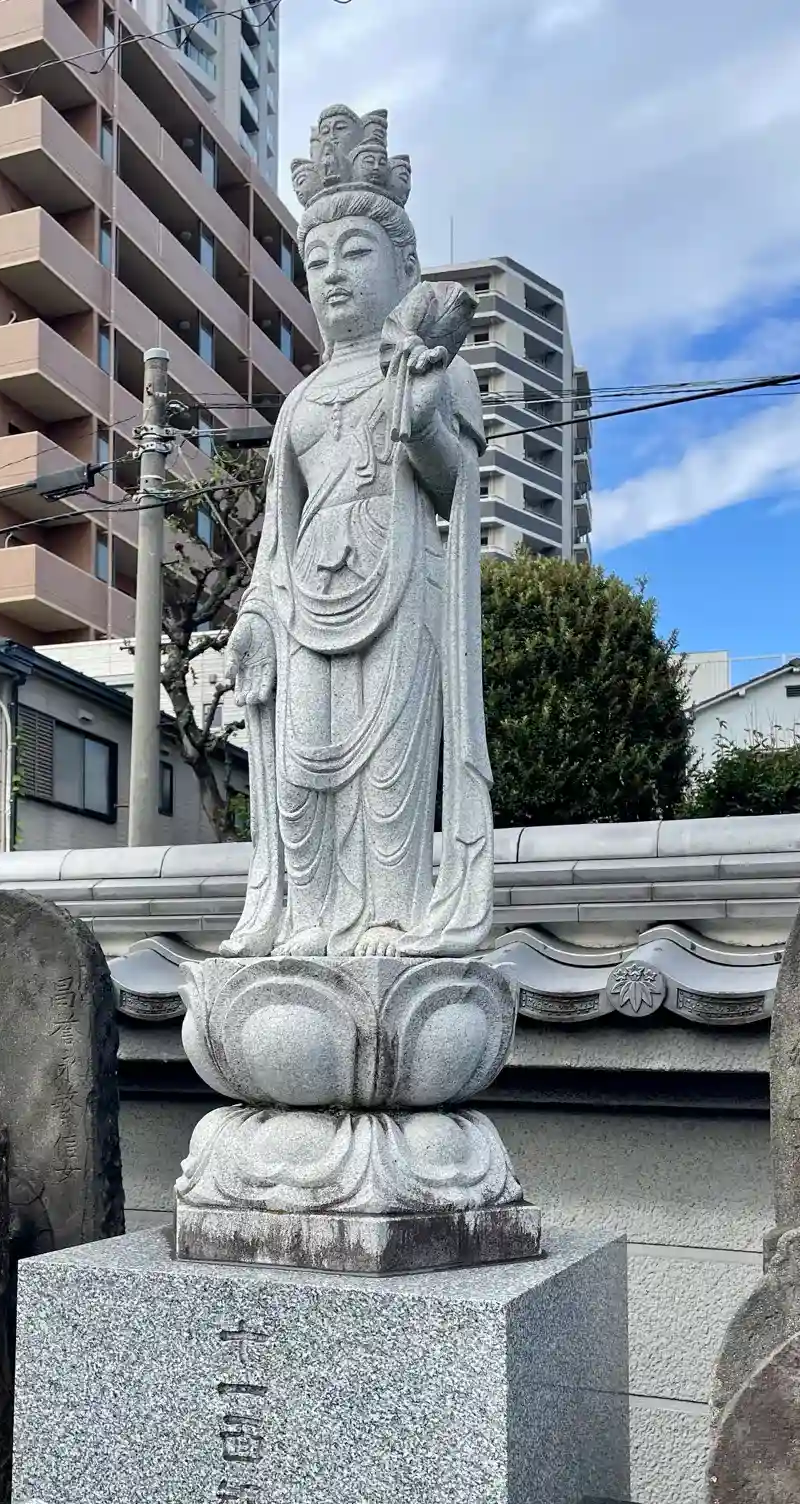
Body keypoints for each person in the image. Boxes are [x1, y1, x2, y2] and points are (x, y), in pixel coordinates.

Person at [221, 104, 493, 961]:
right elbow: (277, 532)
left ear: (404, 266)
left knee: (389, 770)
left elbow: (454, 489)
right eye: (318, 260)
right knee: (302, 769)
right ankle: (309, 917)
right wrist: (255, 616)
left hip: (401, 581)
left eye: (356, 253)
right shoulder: (300, 400)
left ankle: (390, 915)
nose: (334, 275)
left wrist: (421, 417)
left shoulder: (436, 369)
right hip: (309, 598)